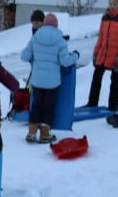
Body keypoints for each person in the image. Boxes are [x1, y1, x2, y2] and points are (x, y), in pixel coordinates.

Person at [20, 13, 78, 144]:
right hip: (53, 82)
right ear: (56, 25)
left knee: (36, 105)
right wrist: (75, 56)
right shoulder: (60, 40)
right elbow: (65, 61)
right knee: (49, 106)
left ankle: (31, 132)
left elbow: (24, 56)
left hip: (37, 81)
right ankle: (45, 134)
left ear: (44, 24)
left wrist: (35, 58)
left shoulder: (35, 38)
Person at [87, 0, 118, 111]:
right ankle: (92, 103)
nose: (112, 6)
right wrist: (96, 52)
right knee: (96, 78)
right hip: (103, 54)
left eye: (114, 4)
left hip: (116, 56)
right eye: (110, 4)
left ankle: (113, 105)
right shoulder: (105, 18)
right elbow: (101, 37)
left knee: (115, 80)